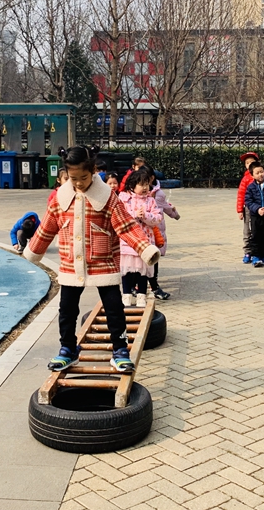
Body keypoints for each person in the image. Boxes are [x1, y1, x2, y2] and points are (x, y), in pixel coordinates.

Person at [24, 146, 159, 373]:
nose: (79, 183)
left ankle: (120, 350)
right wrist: (33, 252)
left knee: (114, 308)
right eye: (73, 178)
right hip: (70, 264)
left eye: (84, 178)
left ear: (94, 170)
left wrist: (146, 249)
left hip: (103, 262)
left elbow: (126, 227)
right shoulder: (60, 199)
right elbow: (47, 227)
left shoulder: (107, 198)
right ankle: (68, 349)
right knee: (67, 310)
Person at [118, 170, 162, 308]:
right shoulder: (124, 199)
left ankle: (141, 296)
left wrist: (146, 216)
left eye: (147, 184)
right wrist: (135, 214)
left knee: (143, 271)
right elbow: (120, 217)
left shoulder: (151, 200)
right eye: (141, 184)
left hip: (145, 242)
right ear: (132, 185)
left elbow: (158, 218)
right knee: (127, 270)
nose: (145, 188)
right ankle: (126, 295)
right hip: (128, 242)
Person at [147, 169, 180, 300]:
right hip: (140, 235)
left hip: (155, 232)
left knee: (153, 258)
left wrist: (175, 214)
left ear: (151, 178)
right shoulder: (131, 196)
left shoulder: (157, 194)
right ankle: (136, 288)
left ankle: (154, 286)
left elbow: (165, 207)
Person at [245, 162, 264, 267]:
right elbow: (248, 201)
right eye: (257, 173)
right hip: (256, 215)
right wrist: (257, 209)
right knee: (255, 235)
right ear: (252, 175)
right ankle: (256, 256)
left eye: (262, 172)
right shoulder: (251, 187)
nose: (260, 174)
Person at [236, 152, 260, 264]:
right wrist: (240, 210)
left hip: (260, 207)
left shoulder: (262, 176)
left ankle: (258, 252)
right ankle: (247, 252)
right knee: (247, 230)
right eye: (247, 163)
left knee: (258, 230)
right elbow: (241, 194)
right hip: (248, 208)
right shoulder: (245, 179)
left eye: (252, 162)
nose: (249, 164)